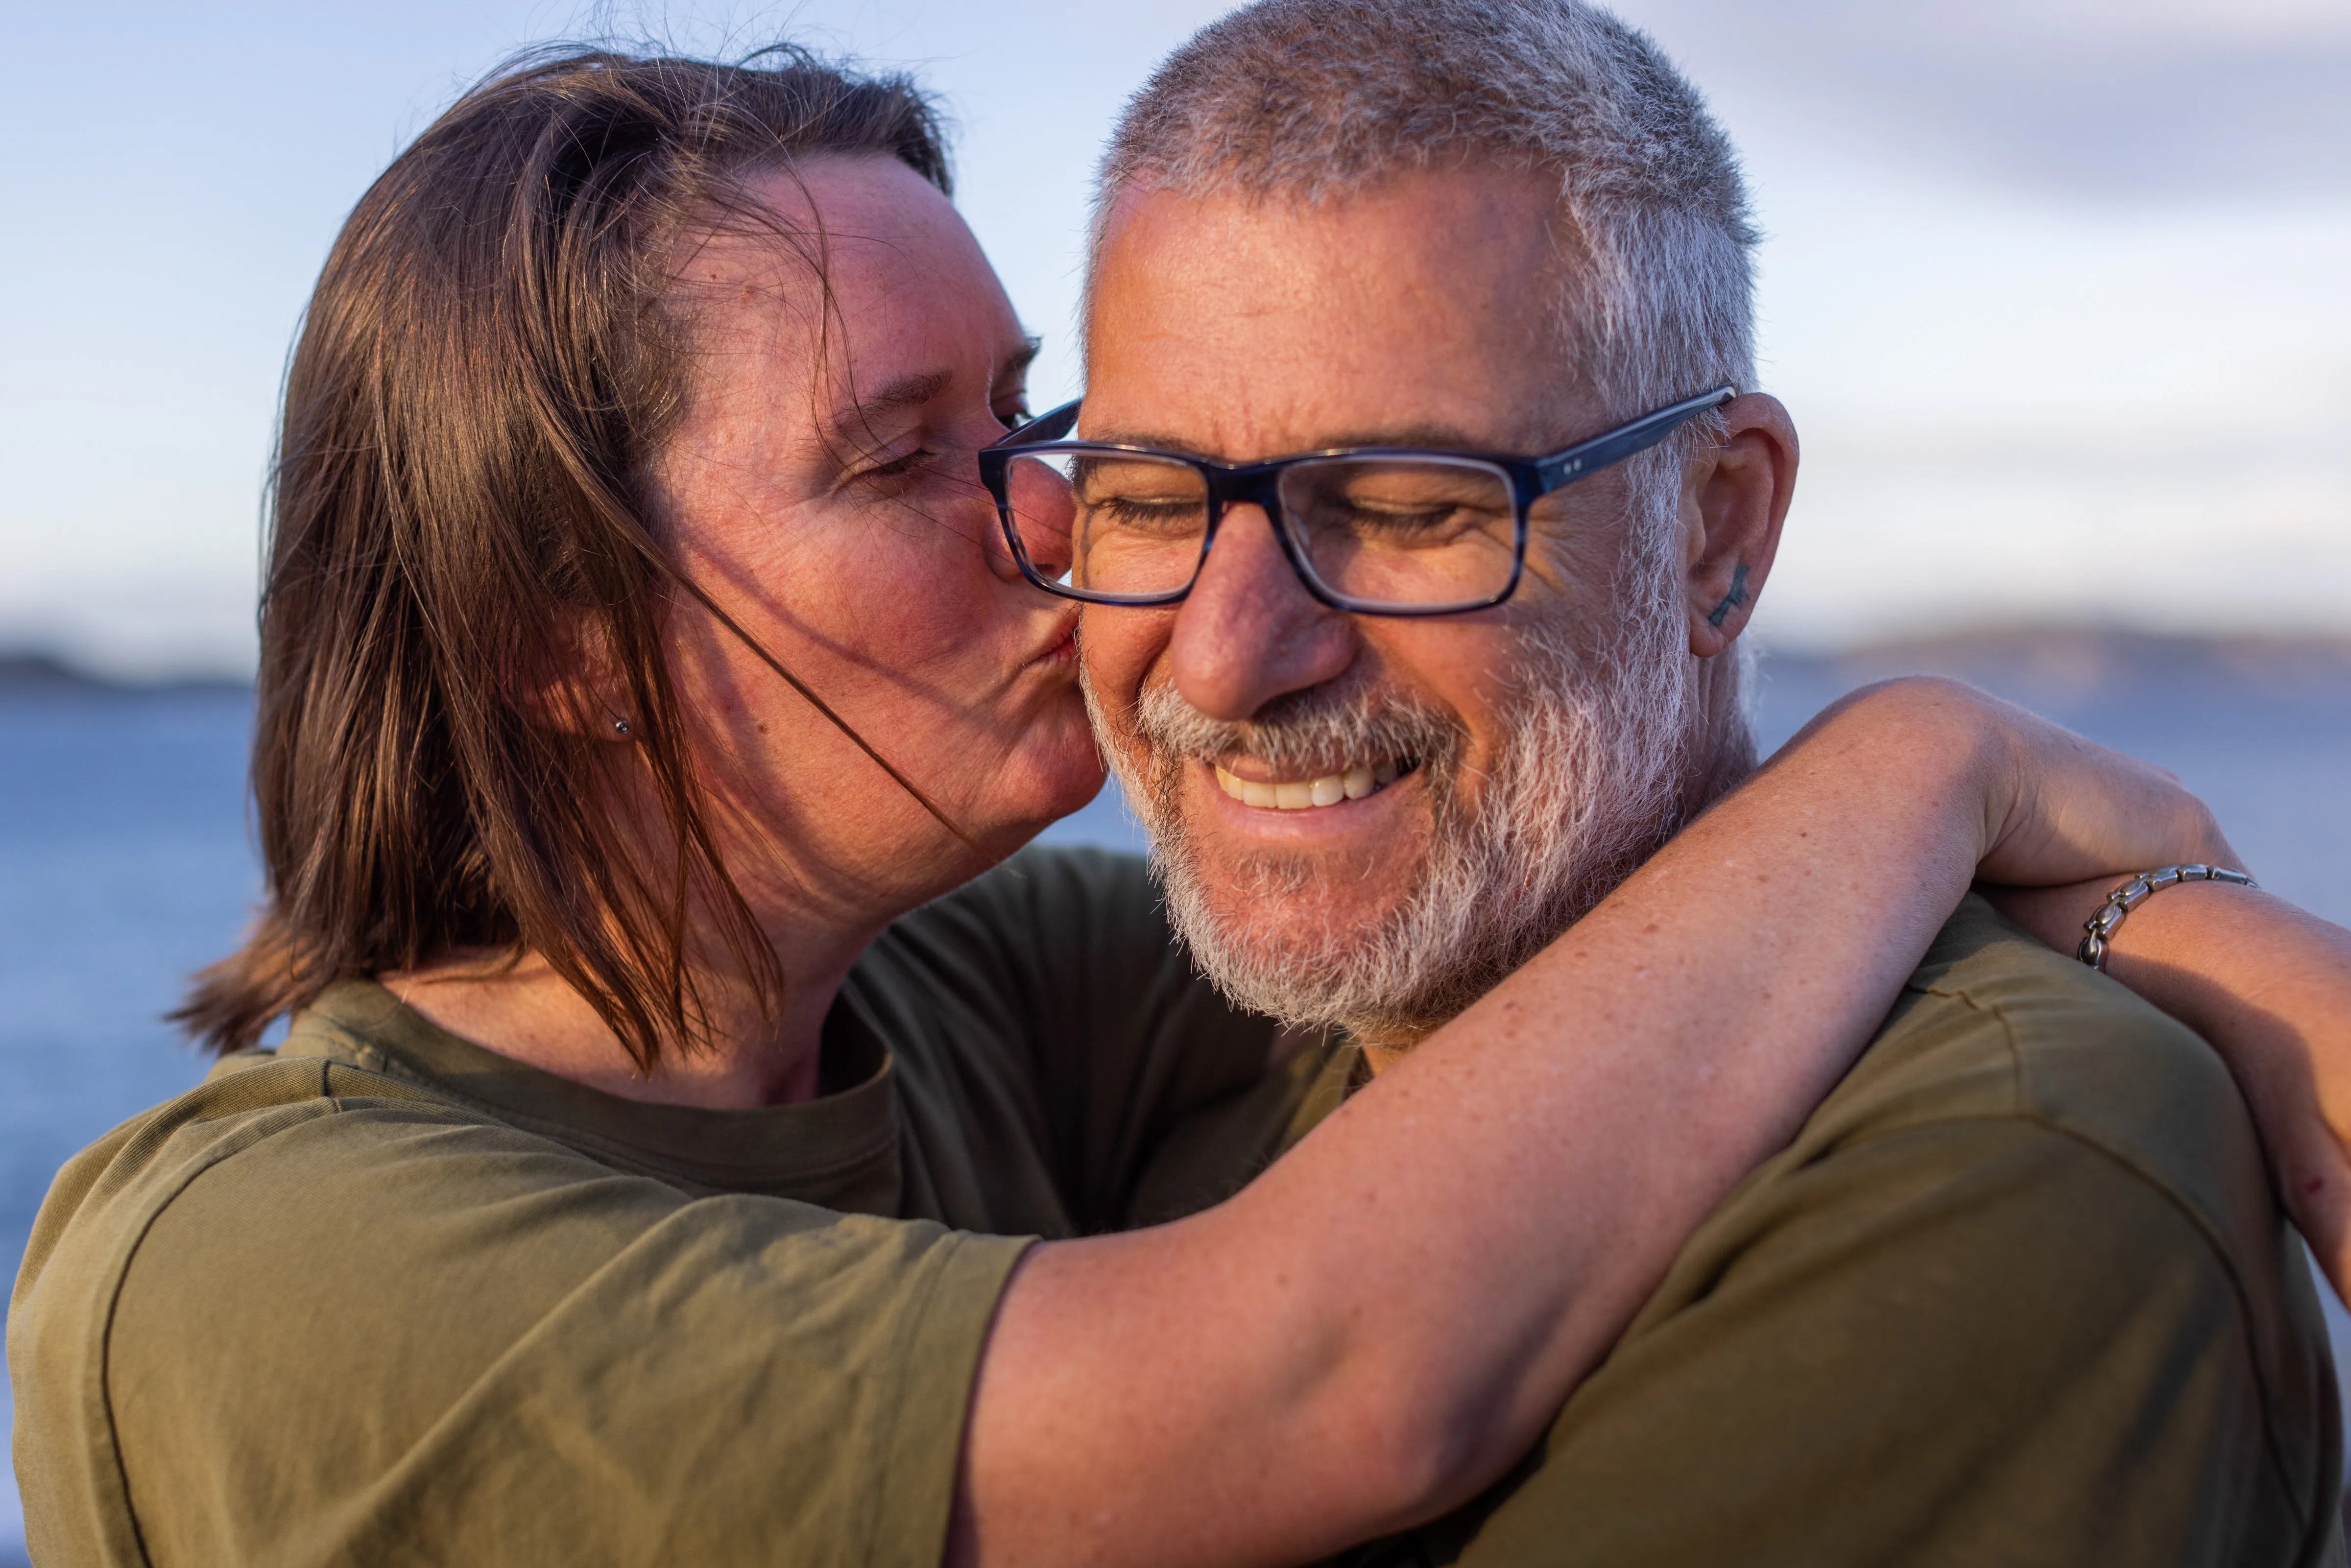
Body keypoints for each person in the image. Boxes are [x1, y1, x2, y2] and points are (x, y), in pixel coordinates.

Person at [5, 41, 2345, 1568]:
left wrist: (2170, 916)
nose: (1081, 548)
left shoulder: (962, 1009)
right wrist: (1938, 756)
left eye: (1049, 432)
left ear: (1725, 526)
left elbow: (1596, 959)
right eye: (905, 461)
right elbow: (1315, 1365)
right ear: (565, 641)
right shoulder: (248, 1275)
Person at [974, 1, 2351, 1563]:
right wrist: (1929, 755)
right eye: (1149, 500)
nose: (1224, 662)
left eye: (1408, 508)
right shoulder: (1168, 1022)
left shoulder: (1995, 1184)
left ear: (1718, 531)